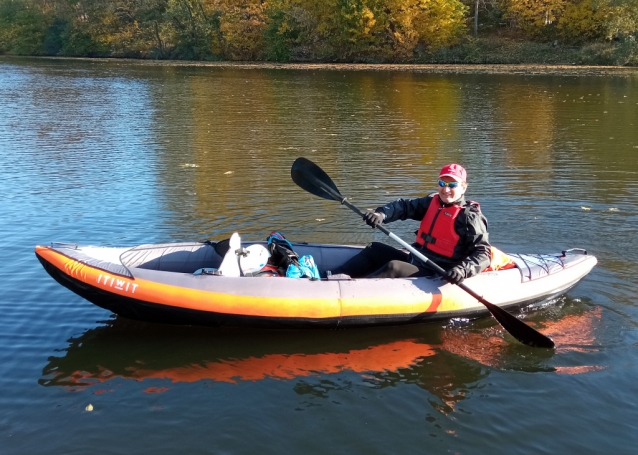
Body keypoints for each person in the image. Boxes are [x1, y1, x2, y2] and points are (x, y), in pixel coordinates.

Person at [330, 163, 491, 284]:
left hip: (437, 272)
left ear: (463, 188)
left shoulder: (470, 217)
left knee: (394, 267)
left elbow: (483, 253)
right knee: (375, 249)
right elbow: (405, 207)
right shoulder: (431, 202)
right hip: (417, 259)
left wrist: (462, 270)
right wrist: (381, 214)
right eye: (442, 183)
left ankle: (351, 292)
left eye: (452, 185)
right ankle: (329, 276)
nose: (446, 189)